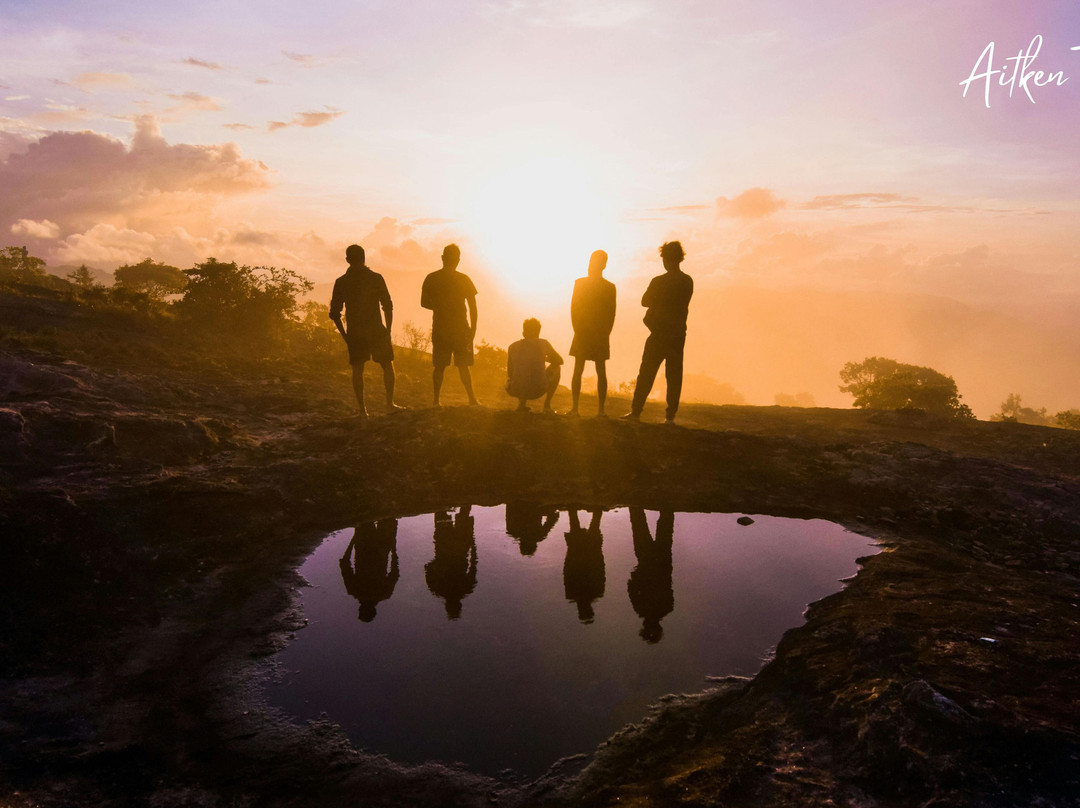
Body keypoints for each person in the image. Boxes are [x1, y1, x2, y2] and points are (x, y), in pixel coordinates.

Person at [623, 241, 693, 423]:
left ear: (666, 260)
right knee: (674, 376)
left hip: (658, 333)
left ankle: (636, 412)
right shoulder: (687, 282)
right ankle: (670, 417)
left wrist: (658, 302)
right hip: (678, 335)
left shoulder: (658, 281)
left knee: (646, 373)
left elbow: (644, 301)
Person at [329, 244, 401, 417]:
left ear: (347, 260)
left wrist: (345, 336)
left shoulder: (342, 282)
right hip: (376, 328)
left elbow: (335, 313)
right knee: (387, 365)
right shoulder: (375, 278)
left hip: (355, 332)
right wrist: (388, 329)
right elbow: (387, 305)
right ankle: (389, 404)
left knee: (357, 369)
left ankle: (363, 411)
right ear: (364, 258)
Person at [421, 244, 479, 407]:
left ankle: (436, 400)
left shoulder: (432, 278)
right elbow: (473, 307)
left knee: (440, 366)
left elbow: (424, 302)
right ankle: (471, 399)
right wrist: (473, 329)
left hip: (442, 327)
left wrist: (440, 306)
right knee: (462, 365)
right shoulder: (464, 279)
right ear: (458, 260)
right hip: (459, 328)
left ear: (443, 258)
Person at [569, 250, 617, 416]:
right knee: (590, 370)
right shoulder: (605, 287)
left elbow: (610, 313)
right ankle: (583, 409)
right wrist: (579, 330)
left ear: (603, 265)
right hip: (589, 332)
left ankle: (588, 409)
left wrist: (604, 333)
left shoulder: (606, 287)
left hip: (593, 332)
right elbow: (574, 309)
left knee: (590, 370)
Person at [627, 508, 674, 644]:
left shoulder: (667, 608)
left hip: (657, 563)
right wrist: (635, 576)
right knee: (639, 522)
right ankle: (660, 503)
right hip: (649, 563)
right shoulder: (641, 608)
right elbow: (631, 587)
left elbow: (668, 585)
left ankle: (664, 503)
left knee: (663, 521)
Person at [339, 520, 399, 622]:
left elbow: (394, 572)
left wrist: (393, 549)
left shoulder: (384, 593)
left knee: (385, 514)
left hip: (380, 547)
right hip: (365, 544)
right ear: (360, 608)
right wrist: (353, 540)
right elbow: (344, 564)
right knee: (368, 515)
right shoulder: (354, 590)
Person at [424, 506, 477, 619]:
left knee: (452, 512)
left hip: (457, 547)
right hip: (447, 547)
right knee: (443, 512)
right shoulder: (437, 589)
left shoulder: (465, 588)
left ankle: (459, 497)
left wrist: (472, 542)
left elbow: (474, 564)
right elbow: (427, 568)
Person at [506, 318, 563, 413]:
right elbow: (559, 361)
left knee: (519, 373)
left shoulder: (512, 346)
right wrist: (544, 358)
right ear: (538, 333)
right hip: (538, 389)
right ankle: (547, 405)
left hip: (515, 390)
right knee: (557, 367)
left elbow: (510, 373)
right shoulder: (543, 343)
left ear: (523, 333)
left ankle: (521, 405)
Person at [563, 509, 606, 623]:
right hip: (584, 557)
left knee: (591, 524)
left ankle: (575, 507)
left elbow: (567, 574)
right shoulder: (573, 594)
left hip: (582, 558)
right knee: (585, 524)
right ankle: (575, 507)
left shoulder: (597, 592)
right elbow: (600, 572)